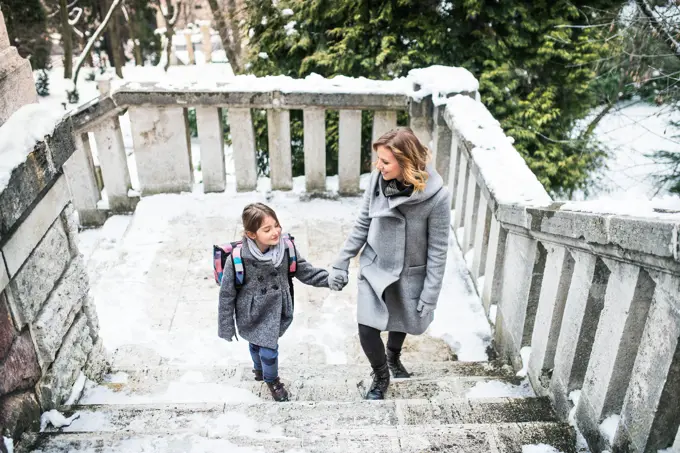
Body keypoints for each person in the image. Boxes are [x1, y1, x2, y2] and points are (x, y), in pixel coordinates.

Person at [329, 127, 450, 400]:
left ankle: (393, 357)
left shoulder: (437, 198)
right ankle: (381, 375)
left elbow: (439, 250)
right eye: (378, 160)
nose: (378, 166)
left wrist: (430, 294)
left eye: (385, 161)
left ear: (406, 162)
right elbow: (363, 222)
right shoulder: (377, 180)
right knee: (366, 327)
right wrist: (342, 261)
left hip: (408, 273)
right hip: (375, 267)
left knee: (399, 321)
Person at [218, 203, 334, 402]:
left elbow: (305, 271)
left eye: (276, 225)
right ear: (251, 234)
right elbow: (226, 294)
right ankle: (259, 370)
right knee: (256, 345)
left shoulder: (286, 249)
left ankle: (272, 380)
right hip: (251, 311)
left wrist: (331, 279)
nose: (275, 232)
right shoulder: (237, 259)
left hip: (277, 308)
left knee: (269, 350)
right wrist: (226, 326)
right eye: (267, 229)